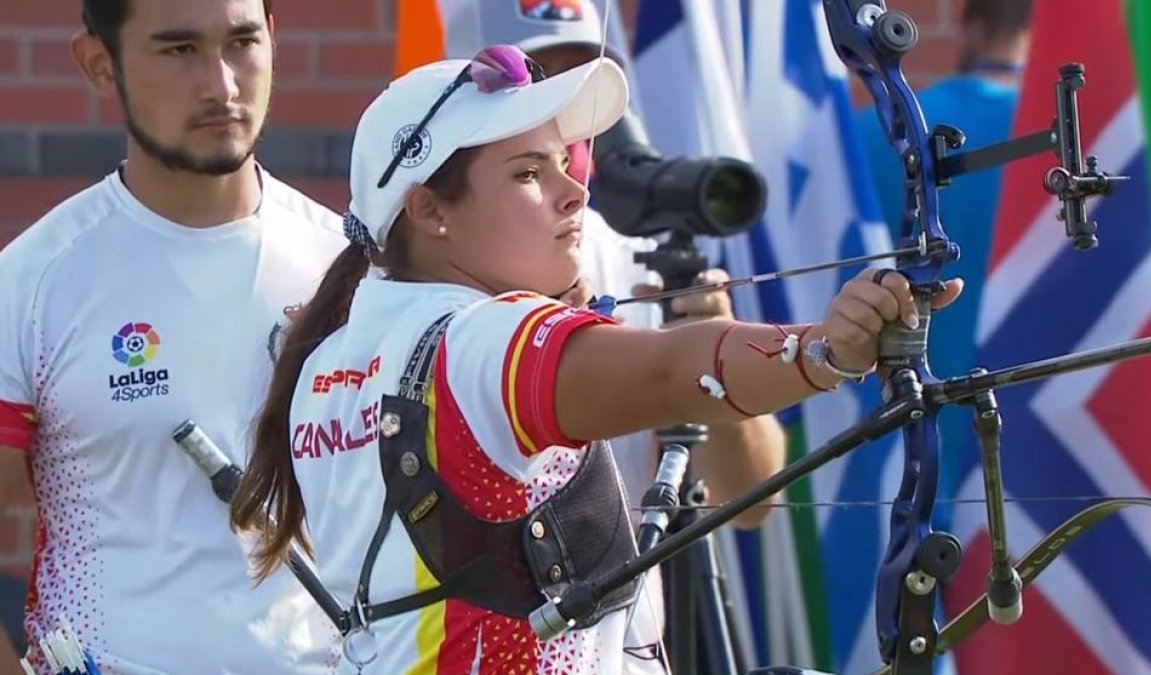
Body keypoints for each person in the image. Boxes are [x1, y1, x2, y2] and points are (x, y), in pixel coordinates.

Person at [231, 46, 962, 674]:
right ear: (428, 210)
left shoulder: (329, 360)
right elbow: (670, 372)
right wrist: (827, 350)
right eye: (528, 174)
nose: (574, 190)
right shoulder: (482, 340)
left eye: (562, 163)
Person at [0, 0, 347, 672]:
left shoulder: (348, 271)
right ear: (100, 64)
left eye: (242, 41)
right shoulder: (33, 281)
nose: (221, 84)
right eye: (179, 49)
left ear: (272, 39)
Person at [442, 0, 787, 526]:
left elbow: (752, 503)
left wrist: (714, 358)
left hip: (633, 581)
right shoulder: (413, 268)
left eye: (584, 77)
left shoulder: (640, 263)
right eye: (538, 75)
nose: (567, 105)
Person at [853, 0, 1031, 495]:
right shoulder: (1062, 141)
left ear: (970, 27)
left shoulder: (873, 133)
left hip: (900, 424)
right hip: (1031, 425)